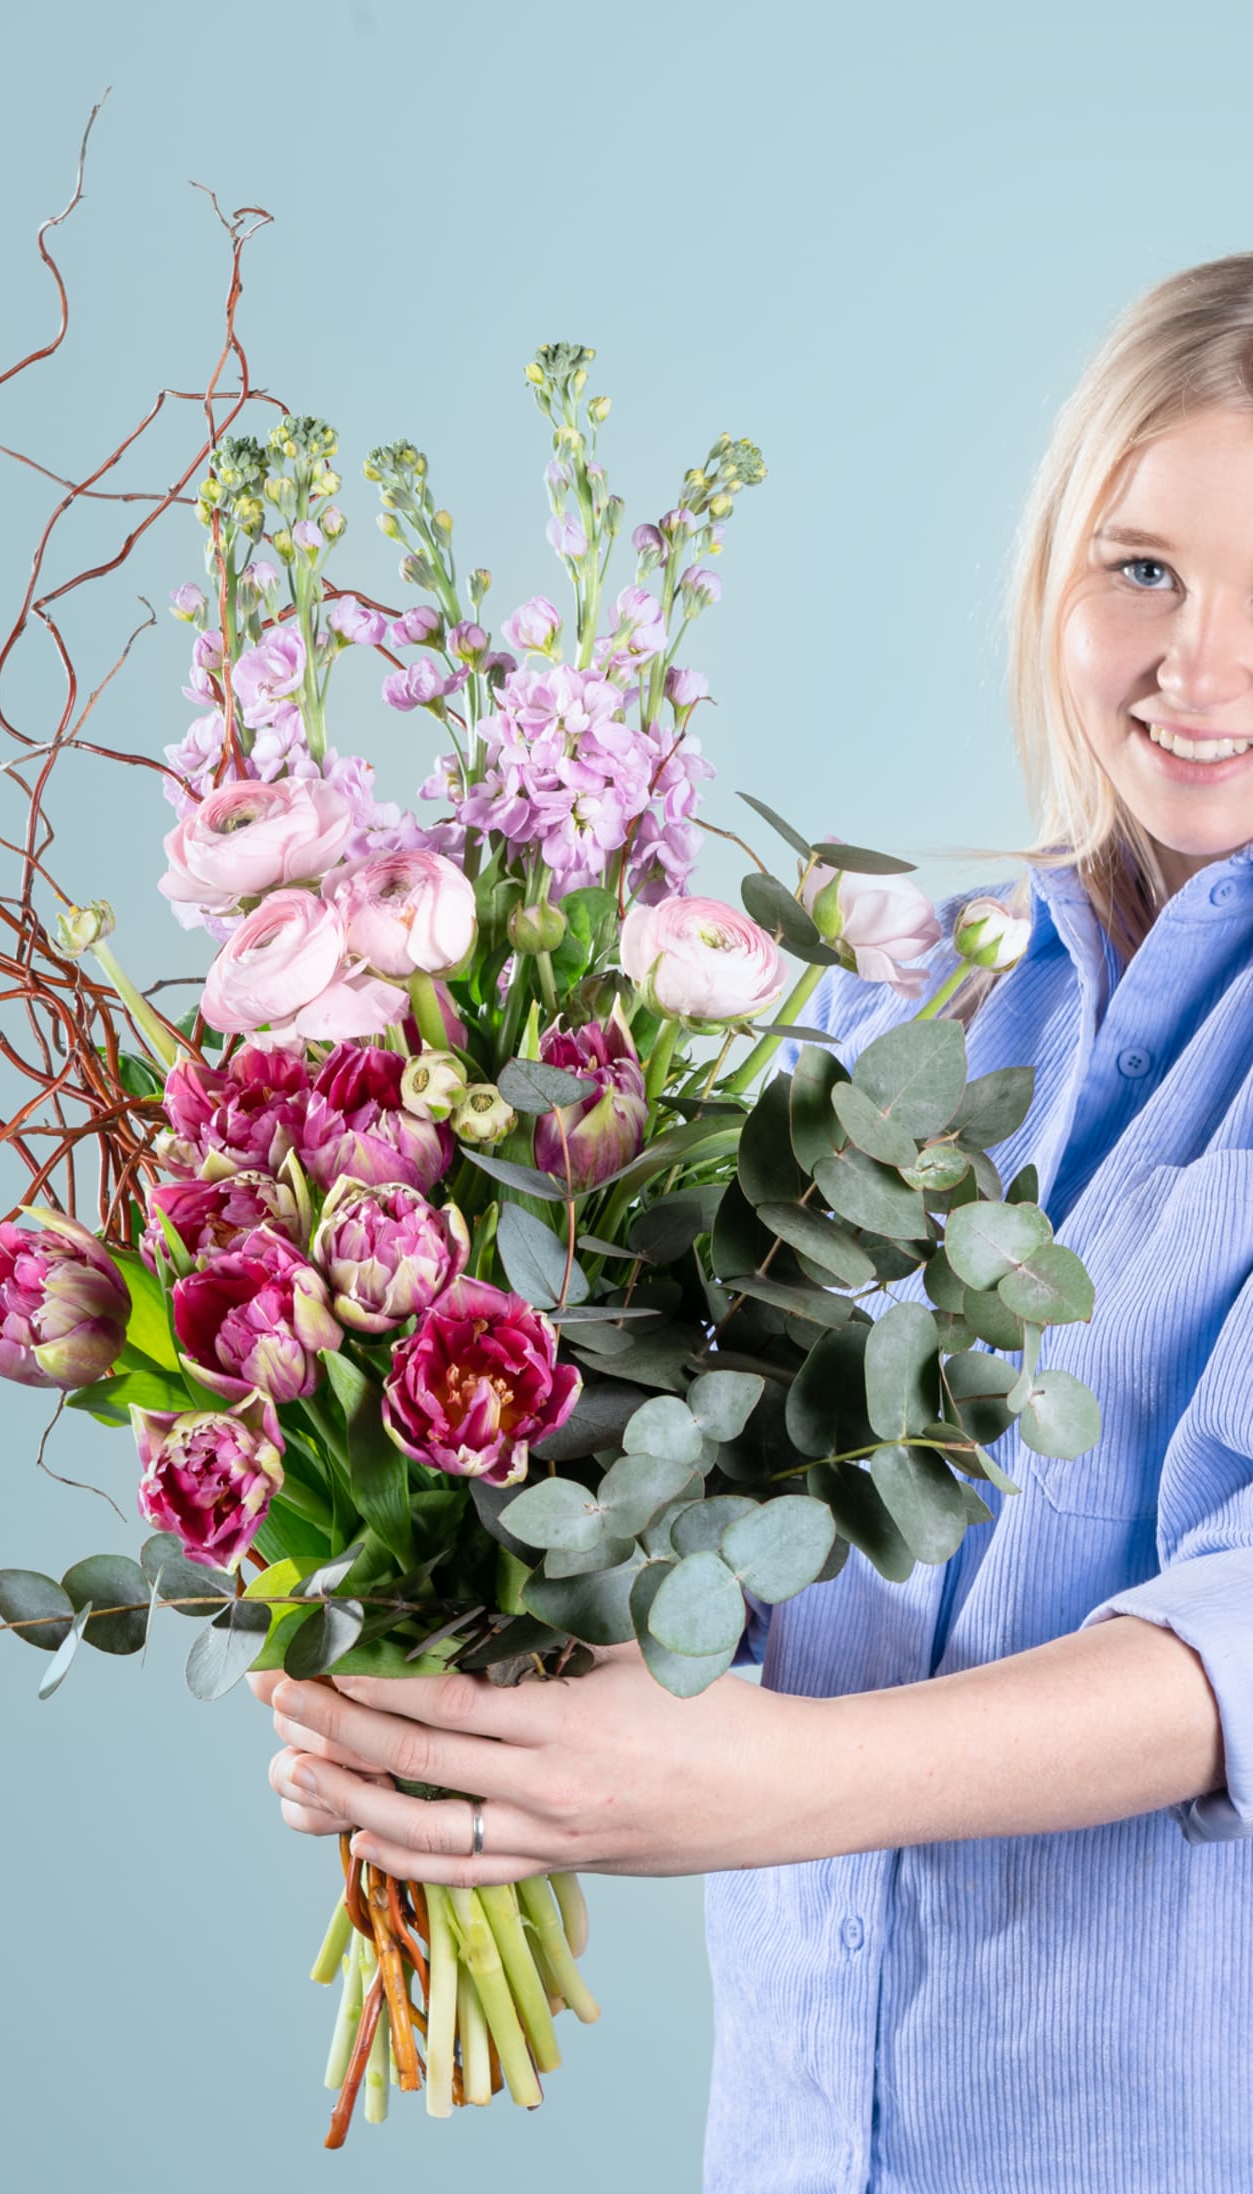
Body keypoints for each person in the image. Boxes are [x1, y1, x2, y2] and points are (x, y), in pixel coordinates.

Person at [252, 252, 1253, 2191]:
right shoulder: (911, 1006)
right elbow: (718, 1478)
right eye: (1143, 569)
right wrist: (452, 1666)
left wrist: (768, 1780)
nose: (1195, 667)